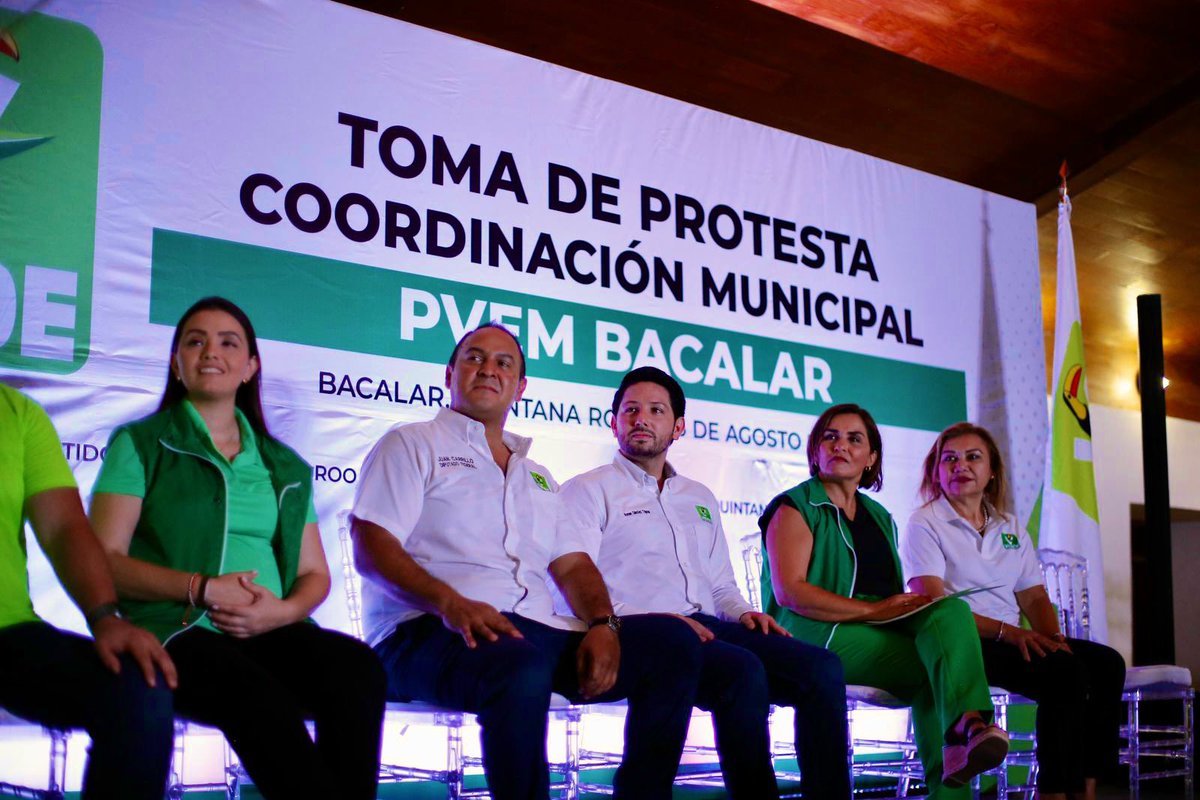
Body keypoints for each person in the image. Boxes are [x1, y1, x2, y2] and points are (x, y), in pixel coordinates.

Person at [351, 322, 704, 800]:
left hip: (527, 629)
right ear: (450, 372)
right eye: (474, 358)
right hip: (423, 631)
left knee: (673, 644)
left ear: (520, 387)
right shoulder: (412, 444)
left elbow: (573, 564)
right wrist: (451, 603)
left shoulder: (536, 475)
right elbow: (372, 544)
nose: (488, 369)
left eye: (504, 363)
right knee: (519, 665)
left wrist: (604, 624)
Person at [89, 296, 385, 800]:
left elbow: (315, 574)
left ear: (250, 367)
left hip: (270, 630)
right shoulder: (139, 443)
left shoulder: (282, 464)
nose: (211, 351)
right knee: (257, 695)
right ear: (175, 362)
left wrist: (283, 612)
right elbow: (102, 564)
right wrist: (202, 588)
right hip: (173, 629)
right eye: (195, 340)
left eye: (229, 342)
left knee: (358, 671)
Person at [559, 366, 851, 800]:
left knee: (822, 670)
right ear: (613, 421)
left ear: (678, 427)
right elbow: (571, 579)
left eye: (656, 411)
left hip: (708, 626)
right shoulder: (586, 489)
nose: (641, 419)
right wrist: (660, 623)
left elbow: (720, 586)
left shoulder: (698, 497)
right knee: (741, 670)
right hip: (636, 630)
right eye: (630, 410)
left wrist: (746, 612)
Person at [759, 402, 1008, 798]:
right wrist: (874, 611)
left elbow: (892, 597)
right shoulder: (795, 506)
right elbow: (791, 593)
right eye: (830, 437)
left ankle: (969, 729)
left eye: (854, 439)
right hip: (811, 633)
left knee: (950, 610)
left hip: (871, 628)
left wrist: (901, 608)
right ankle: (969, 736)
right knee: (933, 670)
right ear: (815, 452)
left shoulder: (879, 515)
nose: (840, 445)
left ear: (871, 457)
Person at [901, 422, 1126, 800]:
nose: (961, 465)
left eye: (973, 457)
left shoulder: (1011, 527)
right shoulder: (925, 522)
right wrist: (1013, 634)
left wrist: (1053, 637)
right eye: (950, 459)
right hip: (964, 644)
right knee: (1065, 674)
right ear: (936, 472)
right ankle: (1053, 793)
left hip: (1013, 637)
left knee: (1106, 665)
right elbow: (932, 605)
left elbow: (1034, 597)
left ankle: (1087, 787)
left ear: (991, 472)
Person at [0, 381, 175, 799]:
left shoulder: (18, 411)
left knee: (138, 686)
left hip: (7, 633)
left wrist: (105, 617)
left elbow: (64, 528)